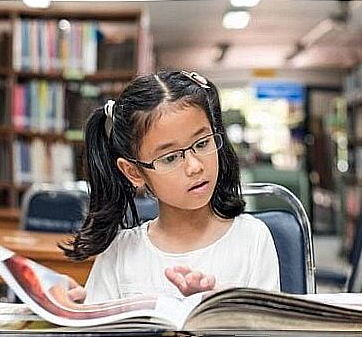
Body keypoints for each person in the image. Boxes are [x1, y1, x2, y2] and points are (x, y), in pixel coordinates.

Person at [62, 70, 280, 303]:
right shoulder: (120, 252)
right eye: (170, 158)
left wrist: (219, 313)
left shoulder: (252, 238)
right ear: (134, 172)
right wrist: (74, 315)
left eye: (203, 142)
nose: (194, 166)